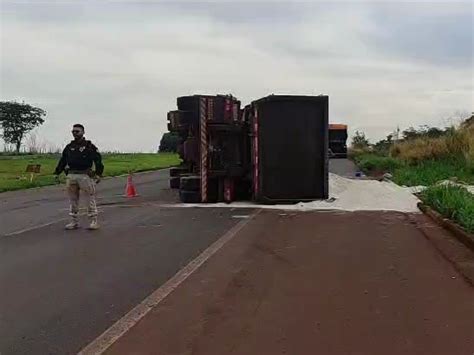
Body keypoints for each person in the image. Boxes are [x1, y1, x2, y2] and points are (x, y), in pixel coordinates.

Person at [54, 124, 104, 230]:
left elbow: (98, 160)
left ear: (83, 132)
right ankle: (74, 221)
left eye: (77, 131)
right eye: (73, 131)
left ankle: (93, 221)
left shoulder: (89, 146)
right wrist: (57, 172)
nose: (75, 133)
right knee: (73, 199)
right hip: (72, 175)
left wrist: (98, 174)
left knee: (89, 198)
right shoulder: (69, 147)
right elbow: (63, 160)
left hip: (85, 175)